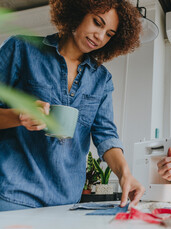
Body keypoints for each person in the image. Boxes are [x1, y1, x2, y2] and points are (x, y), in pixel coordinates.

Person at [0, 0, 145, 211]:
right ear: (78, 12)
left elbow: (106, 135)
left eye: (109, 34)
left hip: (66, 201)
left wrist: (125, 174)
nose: (100, 36)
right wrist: (19, 116)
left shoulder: (101, 79)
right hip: (13, 195)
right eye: (97, 22)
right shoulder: (22, 49)